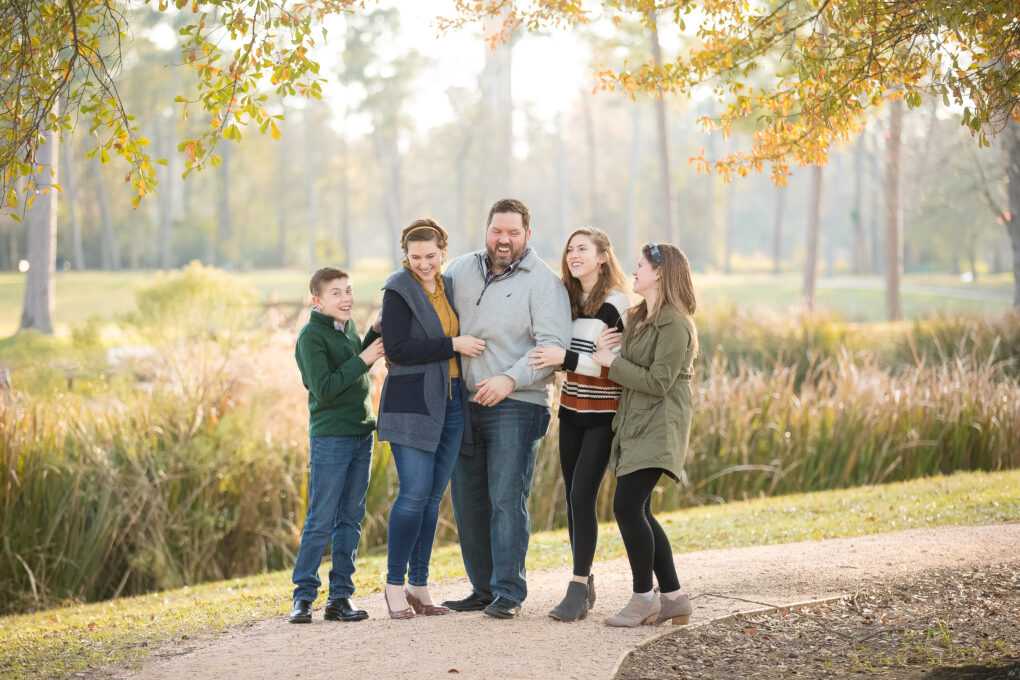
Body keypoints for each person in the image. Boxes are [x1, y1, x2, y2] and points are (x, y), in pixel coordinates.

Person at [440, 198, 573, 619]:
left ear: (526, 236)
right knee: (467, 500)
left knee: (504, 497)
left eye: (513, 232)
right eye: (497, 230)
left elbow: (552, 348)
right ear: (487, 230)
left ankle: (509, 591)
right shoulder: (459, 270)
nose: (504, 239)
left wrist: (509, 379)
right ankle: (482, 589)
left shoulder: (544, 283)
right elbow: (428, 305)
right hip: (465, 403)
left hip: (519, 403)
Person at [376, 218, 486, 619]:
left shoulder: (448, 286)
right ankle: (392, 585)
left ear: (443, 252)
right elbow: (399, 348)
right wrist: (453, 344)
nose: (424, 264)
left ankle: (419, 586)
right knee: (413, 494)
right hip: (411, 403)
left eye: (431, 256)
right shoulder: (398, 289)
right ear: (405, 255)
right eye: (416, 257)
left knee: (432, 498)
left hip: (452, 401)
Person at [590, 242, 697, 628]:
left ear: (660, 273)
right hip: (635, 424)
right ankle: (673, 598)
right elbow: (627, 367)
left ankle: (643, 598)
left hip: (660, 426)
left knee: (627, 507)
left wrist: (612, 363)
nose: (633, 272)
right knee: (641, 511)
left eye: (639, 266)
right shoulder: (639, 317)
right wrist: (607, 352)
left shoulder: (675, 323)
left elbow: (658, 381)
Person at [527, 227, 630, 622]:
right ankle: (584, 582)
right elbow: (573, 354)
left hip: (603, 415)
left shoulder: (618, 305)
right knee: (572, 497)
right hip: (570, 410)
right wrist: (567, 357)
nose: (574, 254)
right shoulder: (567, 301)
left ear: (602, 256)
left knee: (584, 495)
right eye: (570, 249)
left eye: (583, 249)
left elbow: (612, 369)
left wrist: (566, 358)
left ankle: (574, 587)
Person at [289, 266, 386, 624]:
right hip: (331, 437)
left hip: (362, 432)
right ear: (317, 300)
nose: (346, 298)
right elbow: (325, 388)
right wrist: (365, 358)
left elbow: (353, 365)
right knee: (321, 518)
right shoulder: (310, 337)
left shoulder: (347, 329)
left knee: (350, 519)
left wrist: (371, 336)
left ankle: (340, 597)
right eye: (336, 293)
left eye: (348, 290)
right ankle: (303, 597)